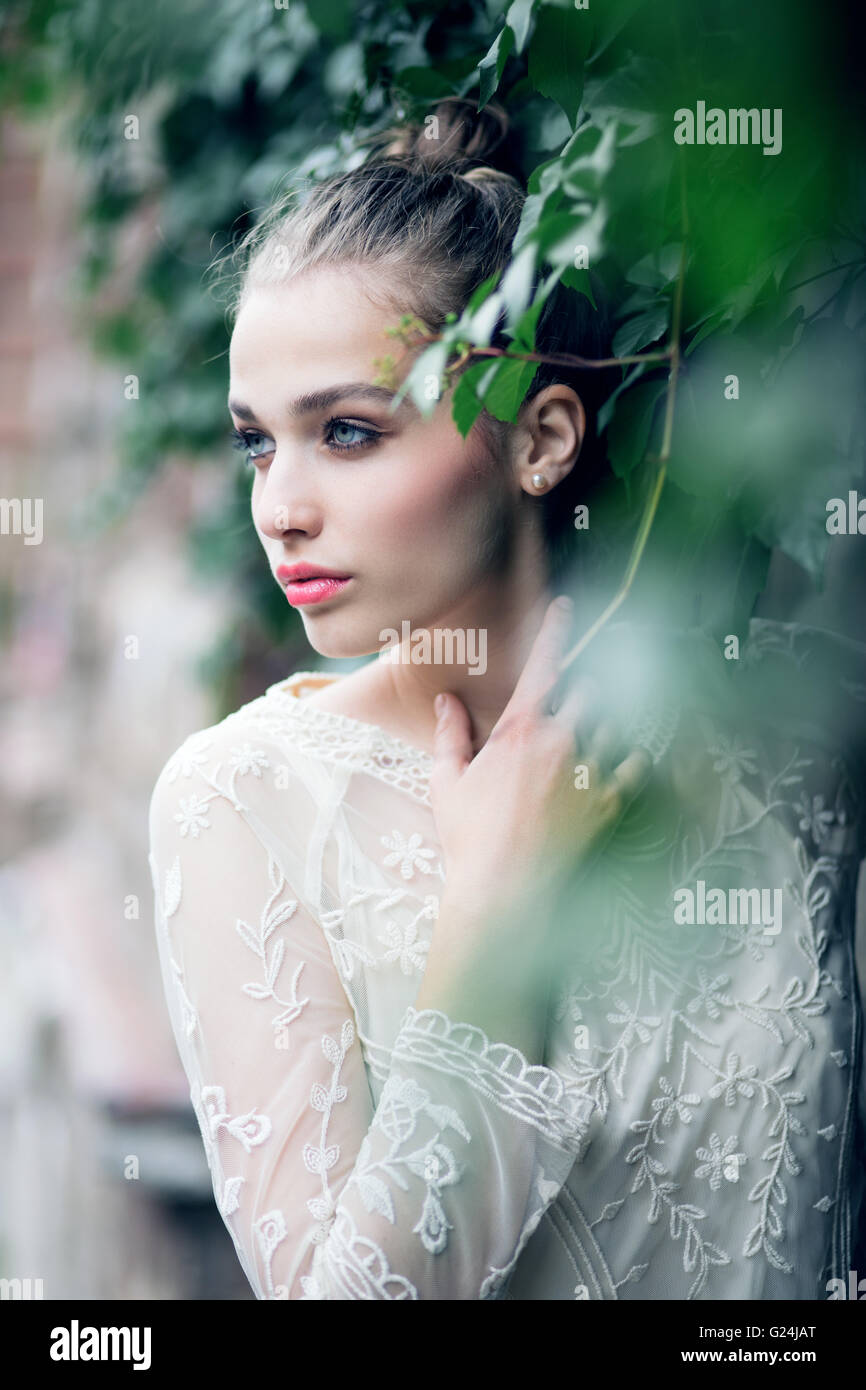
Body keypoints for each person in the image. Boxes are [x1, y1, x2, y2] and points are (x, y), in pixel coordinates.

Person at [147, 101, 866, 1300]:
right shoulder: (242, 802)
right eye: (257, 444)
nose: (280, 506)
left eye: (346, 430)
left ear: (539, 436)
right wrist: (490, 918)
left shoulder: (797, 735)